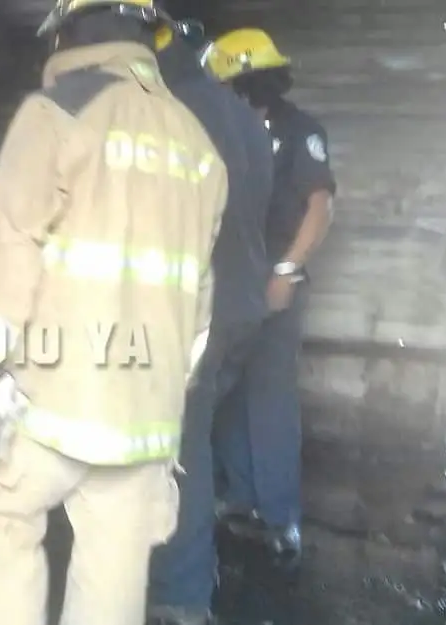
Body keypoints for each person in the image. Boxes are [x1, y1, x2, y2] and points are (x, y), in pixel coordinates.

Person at [0, 1, 229, 623]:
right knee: (115, 564)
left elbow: (6, 252)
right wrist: (166, 389)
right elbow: (198, 294)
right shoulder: (198, 146)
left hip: (51, 401)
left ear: (69, 33)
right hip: (146, 412)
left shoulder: (54, 114)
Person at [144, 22, 275, 625]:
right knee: (195, 437)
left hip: (199, 310)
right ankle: (190, 567)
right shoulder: (244, 118)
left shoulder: (169, 112)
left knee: (182, 448)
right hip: (244, 305)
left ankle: (181, 593)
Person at [206, 27, 336, 566]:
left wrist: (286, 270)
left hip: (275, 281)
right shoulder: (220, 132)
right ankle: (240, 498)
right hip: (229, 284)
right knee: (225, 394)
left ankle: (280, 518)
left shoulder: (299, 131)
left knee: (271, 397)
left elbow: (319, 208)